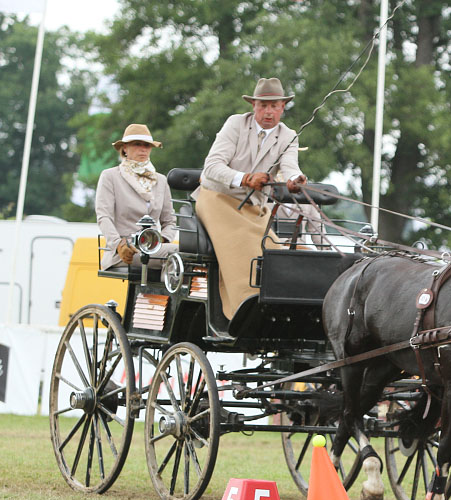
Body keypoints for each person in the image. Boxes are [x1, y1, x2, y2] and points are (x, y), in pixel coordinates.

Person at [192, 77, 308, 320]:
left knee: (274, 249)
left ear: (282, 108)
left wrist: (296, 180)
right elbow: (212, 167)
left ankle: (281, 307)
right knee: (241, 245)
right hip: (217, 198)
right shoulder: (235, 124)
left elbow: (290, 167)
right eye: (263, 106)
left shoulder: (288, 135)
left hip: (253, 207)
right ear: (253, 106)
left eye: (274, 106)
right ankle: (244, 309)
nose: (268, 112)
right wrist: (245, 179)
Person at [95, 124, 178, 270]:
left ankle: (163, 292)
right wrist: (119, 244)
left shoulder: (161, 180)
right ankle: (170, 292)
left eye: (147, 145)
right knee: (176, 254)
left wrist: (160, 239)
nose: (143, 149)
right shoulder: (110, 176)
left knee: (185, 255)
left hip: (152, 248)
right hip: (124, 251)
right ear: (125, 148)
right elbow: (104, 216)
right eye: (137, 144)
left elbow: (170, 221)